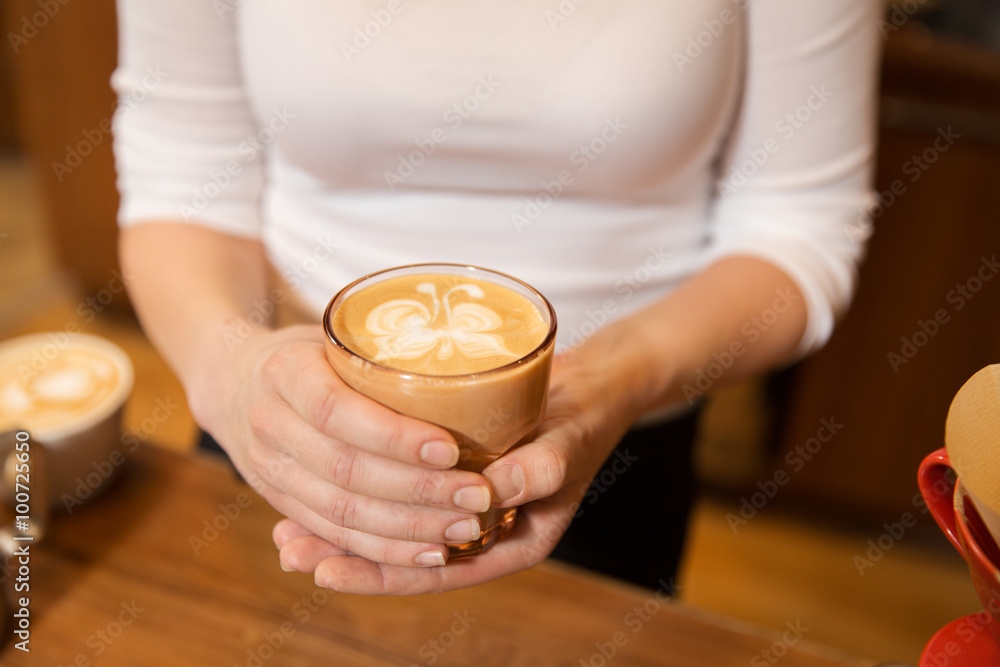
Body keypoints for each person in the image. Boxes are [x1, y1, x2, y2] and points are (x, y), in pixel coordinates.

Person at [111, 0, 881, 595]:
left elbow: (798, 226)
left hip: (615, 440)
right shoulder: (266, 406)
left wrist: (611, 379)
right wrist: (229, 369)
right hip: (293, 428)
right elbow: (183, 177)